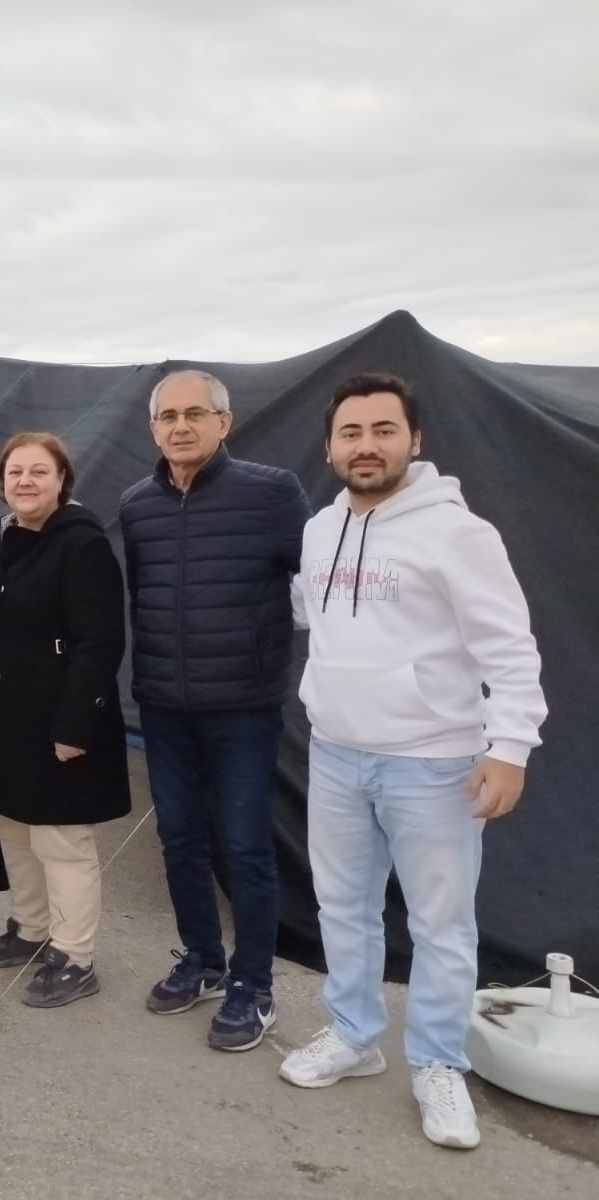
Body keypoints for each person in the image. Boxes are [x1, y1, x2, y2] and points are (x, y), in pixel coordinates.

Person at [281, 373, 547, 1151]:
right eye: (351, 433)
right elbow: (317, 613)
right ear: (330, 447)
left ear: (414, 440)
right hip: (336, 755)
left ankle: (436, 1063)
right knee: (343, 909)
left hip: (433, 764)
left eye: (383, 430)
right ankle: (354, 1035)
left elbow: (511, 649)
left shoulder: (459, 534)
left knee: (441, 925)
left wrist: (509, 749)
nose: (366, 445)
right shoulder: (320, 530)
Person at [118, 369, 312, 1052]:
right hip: (164, 705)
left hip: (243, 708)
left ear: (224, 422)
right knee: (179, 839)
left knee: (245, 845)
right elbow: (143, 596)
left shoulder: (273, 492)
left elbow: (317, 588)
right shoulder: (136, 504)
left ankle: (253, 986)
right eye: (167, 416)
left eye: (194, 413)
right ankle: (202, 959)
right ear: (153, 429)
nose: (180, 426)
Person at [0, 432, 131, 1008]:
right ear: (2, 484)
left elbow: (99, 643)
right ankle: (32, 928)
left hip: (58, 719)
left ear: (62, 481)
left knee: (60, 839)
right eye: (15, 472)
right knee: (9, 825)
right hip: (0, 718)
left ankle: (75, 956)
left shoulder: (82, 545)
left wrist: (74, 726)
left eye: (39, 471)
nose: (26, 481)